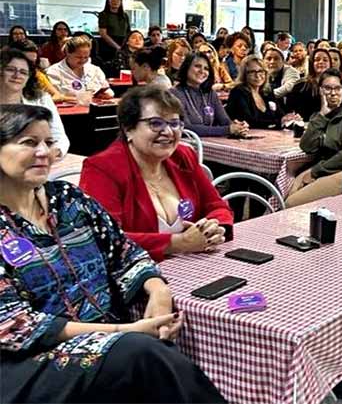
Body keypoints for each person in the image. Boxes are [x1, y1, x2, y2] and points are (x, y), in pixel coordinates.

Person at [0, 104, 225, 404]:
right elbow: (16, 327)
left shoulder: (68, 200)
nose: (44, 152)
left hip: (107, 341)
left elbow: (124, 251)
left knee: (156, 349)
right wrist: (122, 330)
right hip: (27, 362)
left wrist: (158, 290)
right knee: (139, 353)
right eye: (29, 142)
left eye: (48, 142)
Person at [80, 86, 233, 262]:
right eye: (155, 123)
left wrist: (214, 227)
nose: (168, 132)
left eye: (174, 123)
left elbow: (217, 206)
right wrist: (178, 243)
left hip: (195, 267)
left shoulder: (183, 156)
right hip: (133, 276)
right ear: (128, 129)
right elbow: (104, 239)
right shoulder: (103, 168)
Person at [286, 70, 342, 207]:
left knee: (292, 203)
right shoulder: (320, 114)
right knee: (288, 193)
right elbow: (306, 146)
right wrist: (322, 115)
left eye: (337, 88)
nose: (333, 93)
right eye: (327, 88)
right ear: (320, 91)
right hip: (330, 168)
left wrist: (315, 172)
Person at [0, 49, 69, 156]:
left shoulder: (42, 100)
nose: (17, 75)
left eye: (23, 72)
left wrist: (51, 153)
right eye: (10, 70)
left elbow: (60, 138)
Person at [171, 52, 248, 138]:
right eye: (197, 66)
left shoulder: (211, 93)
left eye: (206, 68)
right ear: (186, 67)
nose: (202, 71)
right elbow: (186, 128)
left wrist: (238, 127)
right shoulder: (174, 93)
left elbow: (225, 122)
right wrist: (228, 130)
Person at [226, 56, 291, 129]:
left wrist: (289, 118)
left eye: (261, 71)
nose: (257, 75)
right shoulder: (238, 92)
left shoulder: (267, 91)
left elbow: (281, 115)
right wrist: (278, 122)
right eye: (252, 72)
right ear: (244, 74)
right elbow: (249, 121)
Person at [46, 37, 113, 99]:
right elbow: (54, 97)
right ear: (68, 53)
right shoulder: (53, 72)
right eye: (79, 57)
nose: (83, 60)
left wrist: (107, 93)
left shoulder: (95, 70)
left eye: (86, 57)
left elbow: (105, 89)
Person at [9, 38, 68, 103]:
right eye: (26, 62)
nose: (30, 66)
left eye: (33, 62)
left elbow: (57, 95)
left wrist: (38, 103)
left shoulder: (37, 75)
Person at [286, 48, 332, 121]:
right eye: (317, 60)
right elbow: (291, 110)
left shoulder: (337, 86)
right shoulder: (300, 85)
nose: (321, 62)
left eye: (325, 60)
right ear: (311, 63)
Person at [96, 0, 130, 72]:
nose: (115, 1)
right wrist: (117, 47)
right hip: (108, 46)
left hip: (123, 44)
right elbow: (103, 34)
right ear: (108, 1)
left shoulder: (125, 16)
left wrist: (124, 46)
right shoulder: (103, 15)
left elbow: (129, 32)